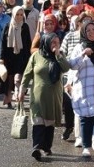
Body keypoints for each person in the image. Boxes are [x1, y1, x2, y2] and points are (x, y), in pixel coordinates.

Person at [23, 31, 71, 162]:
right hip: (38, 96)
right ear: (46, 42)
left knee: (49, 122)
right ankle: (37, 147)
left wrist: (58, 55)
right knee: (38, 121)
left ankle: (46, 146)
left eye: (57, 43)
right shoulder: (36, 56)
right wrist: (22, 89)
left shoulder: (60, 55)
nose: (55, 45)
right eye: (53, 42)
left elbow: (66, 68)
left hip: (54, 96)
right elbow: (27, 74)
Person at [67, 19, 94, 158]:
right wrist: (83, 54)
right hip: (85, 89)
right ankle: (86, 146)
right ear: (84, 33)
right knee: (86, 118)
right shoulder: (79, 48)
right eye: (88, 30)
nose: (91, 33)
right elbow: (72, 65)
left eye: (93, 30)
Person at [0, 5, 33, 109]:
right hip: (9, 57)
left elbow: (28, 43)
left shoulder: (25, 27)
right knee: (9, 80)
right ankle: (8, 99)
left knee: (18, 79)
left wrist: (30, 57)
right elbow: (2, 43)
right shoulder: (7, 26)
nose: (19, 17)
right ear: (13, 15)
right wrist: (1, 59)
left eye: (21, 15)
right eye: (17, 14)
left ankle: (18, 99)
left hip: (21, 57)